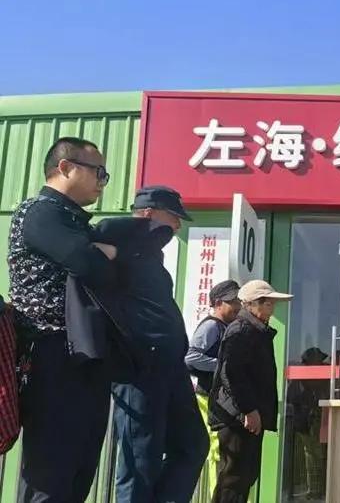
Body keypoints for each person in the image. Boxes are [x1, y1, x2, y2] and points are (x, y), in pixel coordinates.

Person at [7, 137, 120, 502]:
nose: (103, 182)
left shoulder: (74, 221)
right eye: (99, 172)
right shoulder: (41, 213)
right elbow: (90, 266)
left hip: (84, 353)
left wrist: (100, 252)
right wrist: (99, 253)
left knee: (79, 470)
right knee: (51, 472)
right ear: (66, 167)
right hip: (52, 352)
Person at [106, 185, 209, 503]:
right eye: (173, 217)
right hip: (140, 366)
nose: (177, 225)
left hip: (170, 366)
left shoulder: (152, 255)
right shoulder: (116, 243)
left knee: (193, 444)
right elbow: (96, 235)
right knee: (141, 459)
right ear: (148, 213)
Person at [209, 279, 293, 503]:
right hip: (237, 417)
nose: (272, 309)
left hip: (246, 416)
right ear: (252, 304)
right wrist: (248, 409)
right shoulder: (241, 329)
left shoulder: (255, 330)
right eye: (268, 303)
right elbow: (231, 373)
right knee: (233, 478)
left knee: (245, 475)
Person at [185, 279, 241, 494]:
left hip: (221, 398)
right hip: (209, 397)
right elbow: (190, 357)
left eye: (238, 301)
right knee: (218, 449)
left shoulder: (227, 326)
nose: (237, 306)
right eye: (232, 301)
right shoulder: (211, 326)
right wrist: (222, 366)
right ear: (217, 304)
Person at [287, 347, 329, 500]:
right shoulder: (302, 378)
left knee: (313, 456)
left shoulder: (300, 376)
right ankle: (315, 491)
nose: (323, 365)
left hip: (310, 420)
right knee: (312, 456)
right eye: (320, 361)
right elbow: (292, 397)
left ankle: (315, 490)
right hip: (308, 420)